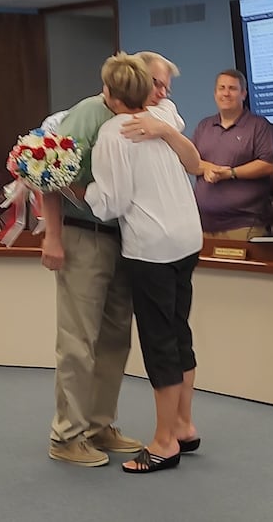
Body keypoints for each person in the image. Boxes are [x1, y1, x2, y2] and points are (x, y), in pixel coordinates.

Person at [40, 51, 185, 467]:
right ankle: (67, 435)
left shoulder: (148, 117)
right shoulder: (88, 114)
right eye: (155, 84)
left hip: (126, 239)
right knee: (78, 341)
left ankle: (99, 424)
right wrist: (52, 235)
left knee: (115, 338)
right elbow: (47, 170)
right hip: (84, 235)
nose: (159, 93)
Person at [84, 52, 202, 474]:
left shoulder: (114, 135)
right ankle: (184, 425)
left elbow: (110, 203)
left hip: (152, 248)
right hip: (188, 238)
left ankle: (164, 441)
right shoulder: (165, 115)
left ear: (112, 95)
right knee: (179, 330)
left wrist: (78, 189)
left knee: (159, 343)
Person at [191, 69, 273, 240]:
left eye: (232, 88)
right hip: (203, 226)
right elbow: (190, 161)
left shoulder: (258, 126)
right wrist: (212, 168)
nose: (226, 93)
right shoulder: (204, 126)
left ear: (243, 94)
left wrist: (230, 173)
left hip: (243, 226)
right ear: (215, 93)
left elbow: (268, 165)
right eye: (221, 88)